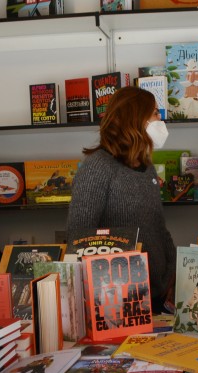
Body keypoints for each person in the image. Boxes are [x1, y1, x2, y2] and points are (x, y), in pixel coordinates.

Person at [66, 86, 176, 313]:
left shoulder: (146, 167)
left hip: (159, 294)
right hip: (118, 300)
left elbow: (158, 228)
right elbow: (79, 238)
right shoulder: (98, 166)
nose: (160, 119)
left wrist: (173, 273)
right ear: (135, 117)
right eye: (155, 113)